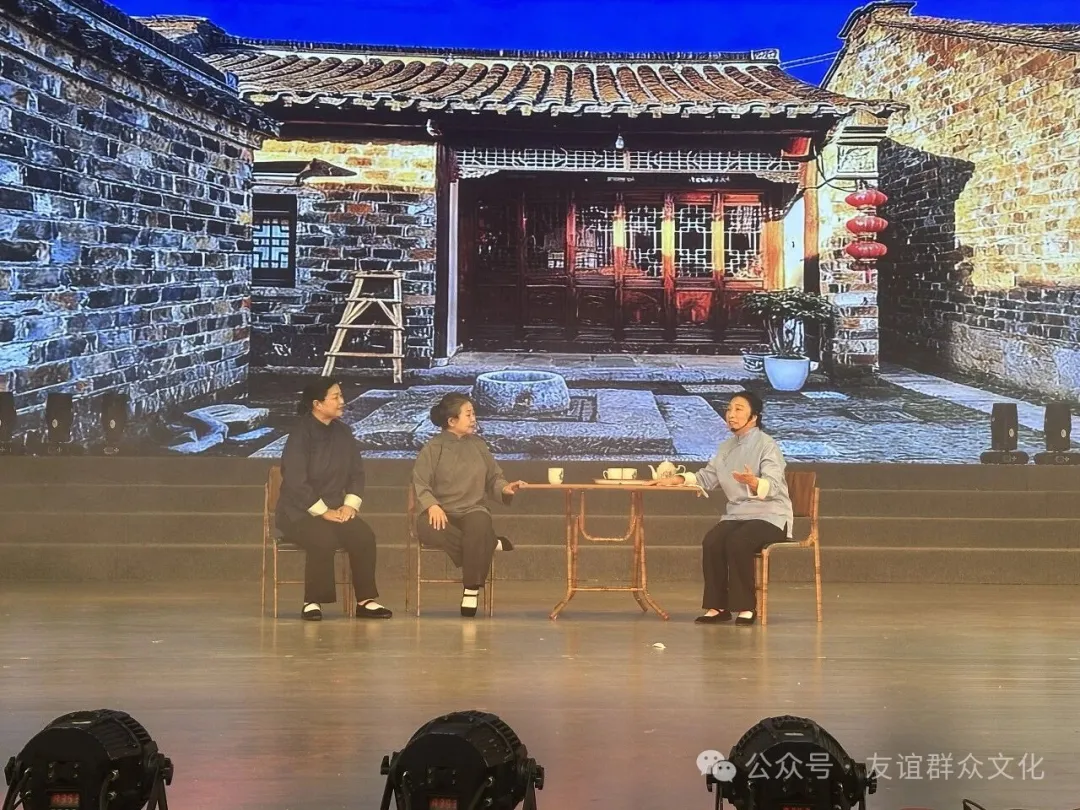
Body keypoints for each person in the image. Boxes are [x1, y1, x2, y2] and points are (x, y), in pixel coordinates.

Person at [652, 390, 792, 626]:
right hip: (737, 515)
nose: (731, 414)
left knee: (738, 541)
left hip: (770, 516)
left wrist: (754, 482)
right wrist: (677, 479)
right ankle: (718, 607)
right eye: (729, 409)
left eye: (738, 409)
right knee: (712, 541)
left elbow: (774, 484)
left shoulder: (767, 445)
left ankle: (746, 607)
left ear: (754, 416)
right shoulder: (726, 447)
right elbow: (707, 477)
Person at [276, 377, 392, 621]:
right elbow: (295, 480)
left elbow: (356, 473)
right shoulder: (300, 434)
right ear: (317, 404)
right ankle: (312, 601)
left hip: (336, 509)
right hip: (298, 512)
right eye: (336, 397)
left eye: (341, 395)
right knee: (322, 539)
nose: (342, 401)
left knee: (363, 536)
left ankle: (365, 600)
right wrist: (323, 511)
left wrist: (349, 505)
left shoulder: (344, 432)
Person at [411, 393, 526, 616]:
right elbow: (420, 483)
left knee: (479, 524)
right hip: (440, 510)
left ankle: (471, 590)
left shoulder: (479, 446)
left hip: (472, 509)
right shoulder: (433, 448)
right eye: (469, 414)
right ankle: (488, 543)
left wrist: (505, 488)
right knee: (430, 529)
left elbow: (494, 478)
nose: (474, 419)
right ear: (451, 421)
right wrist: (432, 505)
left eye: (473, 414)